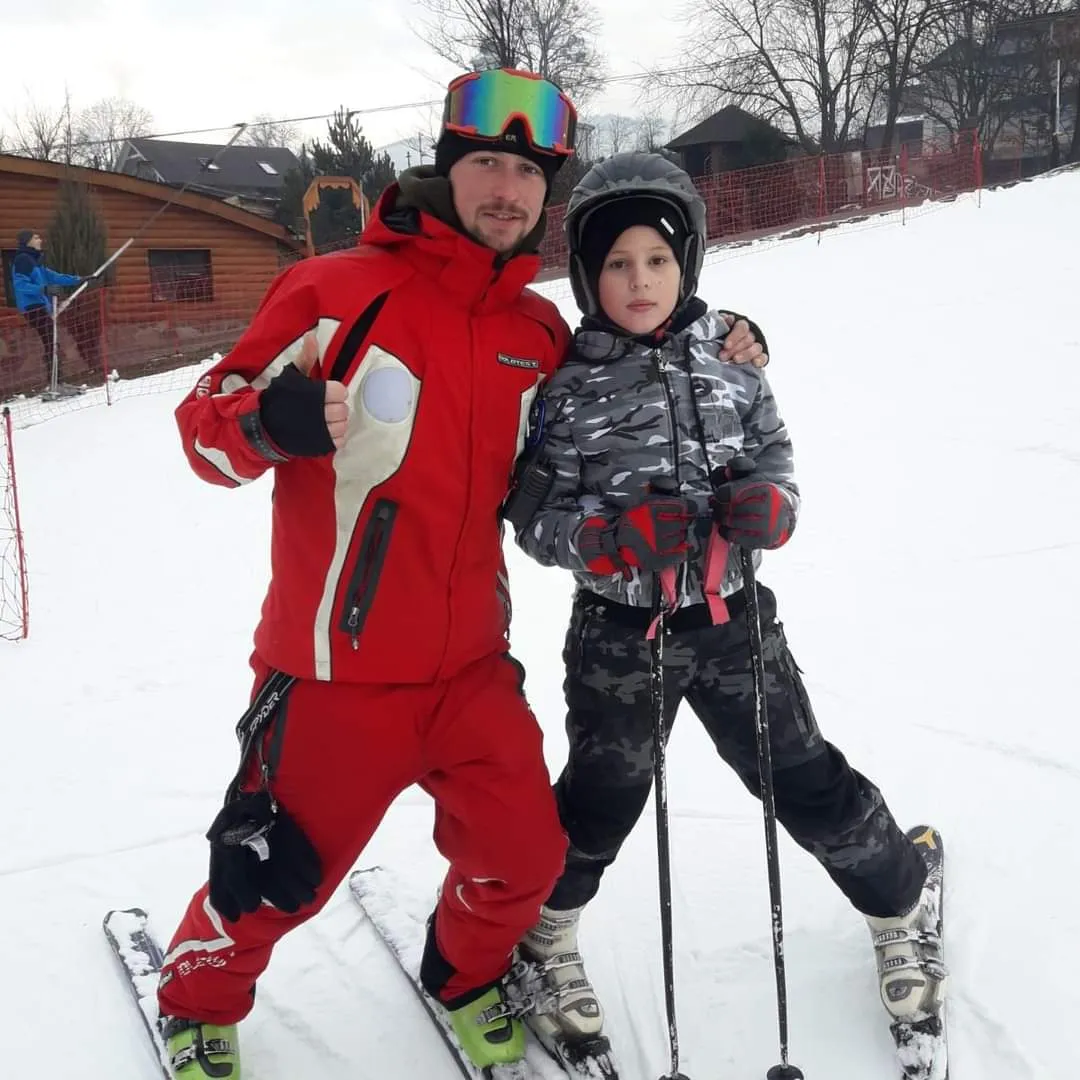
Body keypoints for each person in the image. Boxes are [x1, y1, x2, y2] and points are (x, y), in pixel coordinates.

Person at [504, 151, 946, 1052]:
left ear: (689, 263)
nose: (640, 281)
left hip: (732, 623)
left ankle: (901, 902)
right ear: (587, 273)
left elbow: (774, 456)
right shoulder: (567, 384)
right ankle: (544, 934)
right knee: (600, 796)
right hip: (620, 638)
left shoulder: (732, 358)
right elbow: (533, 514)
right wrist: (606, 541)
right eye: (617, 263)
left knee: (801, 774)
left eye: (657, 260)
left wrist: (772, 506)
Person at [10, 229, 83, 395]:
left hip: (40, 306)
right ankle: (55, 384)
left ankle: (57, 382)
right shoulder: (23, 259)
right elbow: (20, 285)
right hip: (32, 307)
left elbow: (54, 277)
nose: (40, 240)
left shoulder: (34, 260)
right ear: (27, 241)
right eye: (36, 237)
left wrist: (79, 279)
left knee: (52, 341)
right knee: (51, 341)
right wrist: (43, 289)